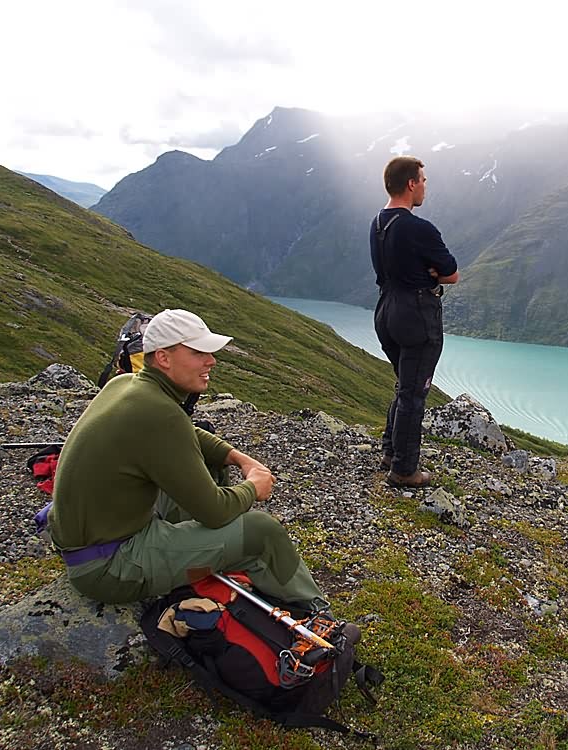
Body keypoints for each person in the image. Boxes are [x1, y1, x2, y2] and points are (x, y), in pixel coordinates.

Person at [48, 309, 328, 611]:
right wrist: (253, 487)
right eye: (198, 353)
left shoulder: (126, 384)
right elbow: (216, 512)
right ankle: (317, 615)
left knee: (209, 463)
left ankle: (202, 552)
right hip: (110, 568)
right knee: (262, 532)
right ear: (164, 358)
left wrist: (236, 457)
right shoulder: (160, 413)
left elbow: (187, 433)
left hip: (91, 544)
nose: (211, 361)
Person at [370, 156, 459, 488]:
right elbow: (451, 273)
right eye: (422, 180)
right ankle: (405, 470)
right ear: (411, 183)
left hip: (386, 312)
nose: (424, 187)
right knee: (414, 392)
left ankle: (391, 452)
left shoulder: (378, 223)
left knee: (404, 385)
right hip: (417, 314)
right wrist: (431, 274)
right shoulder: (419, 228)